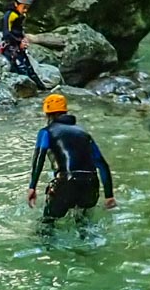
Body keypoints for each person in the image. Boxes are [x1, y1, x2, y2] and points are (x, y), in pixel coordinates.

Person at [27, 93, 116, 222]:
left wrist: (32, 187)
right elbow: (102, 164)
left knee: (47, 223)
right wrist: (109, 196)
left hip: (66, 181)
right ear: (65, 111)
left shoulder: (46, 132)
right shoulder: (84, 133)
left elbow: (39, 158)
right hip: (90, 183)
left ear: (47, 114)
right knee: (84, 225)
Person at [0, 0, 40, 87]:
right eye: (24, 7)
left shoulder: (20, 15)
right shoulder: (10, 15)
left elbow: (20, 30)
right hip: (11, 46)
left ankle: (39, 86)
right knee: (20, 68)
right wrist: (18, 42)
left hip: (18, 44)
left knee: (28, 67)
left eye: (27, 8)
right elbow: (6, 33)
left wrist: (24, 38)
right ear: (16, 3)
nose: (25, 10)